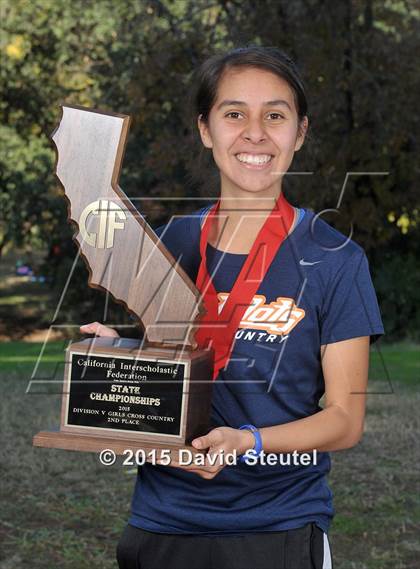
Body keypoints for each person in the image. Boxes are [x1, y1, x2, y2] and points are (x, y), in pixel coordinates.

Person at [80, 46, 385, 569]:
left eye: (275, 115)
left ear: (300, 132)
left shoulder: (336, 258)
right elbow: (173, 375)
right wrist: (119, 356)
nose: (255, 133)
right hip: (161, 521)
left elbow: (344, 419)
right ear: (205, 129)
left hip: (276, 527)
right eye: (234, 113)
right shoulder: (174, 240)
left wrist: (249, 441)